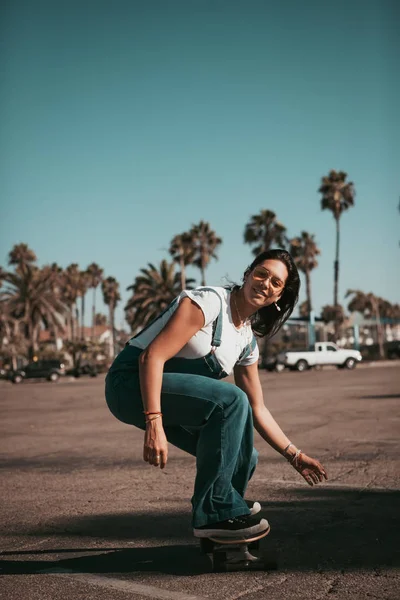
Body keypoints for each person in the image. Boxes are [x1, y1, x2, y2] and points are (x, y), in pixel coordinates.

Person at [105, 249, 328, 542]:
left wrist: (294, 455)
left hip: (169, 397)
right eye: (261, 274)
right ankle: (215, 511)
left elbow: (258, 408)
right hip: (129, 385)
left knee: (245, 457)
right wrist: (154, 424)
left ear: (278, 297)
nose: (265, 284)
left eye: (276, 283)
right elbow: (152, 358)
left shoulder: (246, 341)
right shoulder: (209, 302)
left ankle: (224, 520)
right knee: (232, 400)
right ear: (248, 274)